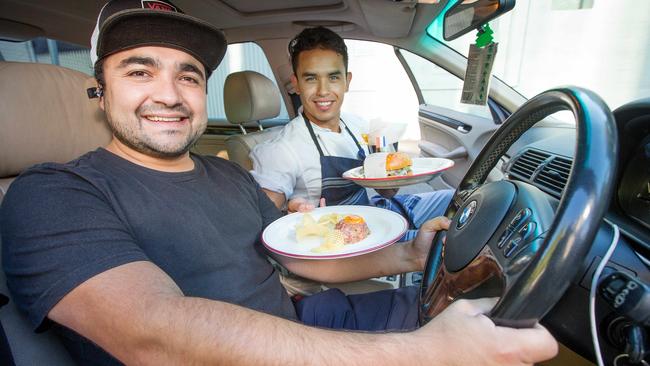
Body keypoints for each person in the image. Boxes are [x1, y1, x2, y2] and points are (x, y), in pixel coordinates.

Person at [0, 0, 558, 365]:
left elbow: (299, 259)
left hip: (298, 321)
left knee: (486, 320)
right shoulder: (51, 194)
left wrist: (408, 256)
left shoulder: (227, 174)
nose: (169, 94)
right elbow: (153, 334)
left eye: (188, 75)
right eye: (139, 71)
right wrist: (421, 355)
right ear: (99, 89)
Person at [250, 27, 453, 240]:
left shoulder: (358, 126)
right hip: (348, 242)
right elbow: (263, 221)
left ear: (347, 81)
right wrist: (289, 214)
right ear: (296, 84)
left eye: (333, 77)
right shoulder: (283, 149)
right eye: (311, 79)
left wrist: (387, 176)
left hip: (374, 212)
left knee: (461, 200)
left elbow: (388, 192)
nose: (323, 91)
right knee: (444, 241)